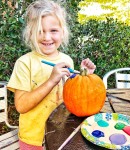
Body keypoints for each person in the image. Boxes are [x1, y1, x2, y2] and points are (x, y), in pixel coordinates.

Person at [7, 0, 96, 149]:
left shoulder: (66, 60)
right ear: (30, 33)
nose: (47, 37)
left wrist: (84, 77)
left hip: (61, 134)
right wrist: (51, 81)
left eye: (53, 30)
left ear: (63, 32)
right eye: (40, 31)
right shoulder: (24, 63)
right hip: (33, 139)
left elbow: (74, 98)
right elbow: (21, 106)